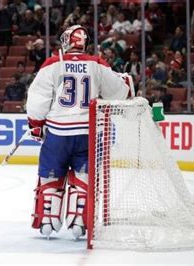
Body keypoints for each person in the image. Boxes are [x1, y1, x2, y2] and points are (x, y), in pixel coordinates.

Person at [26, 25, 133, 239]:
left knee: (50, 178)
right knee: (83, 178)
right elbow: (119, 91)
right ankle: (78, 221)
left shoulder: (53, 64)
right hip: (87, 133)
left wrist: (36, 125)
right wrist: (126, 81)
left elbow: (38, 98)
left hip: (57, 133)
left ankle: (48, 220)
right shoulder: (96, 64)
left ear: (66, 41)